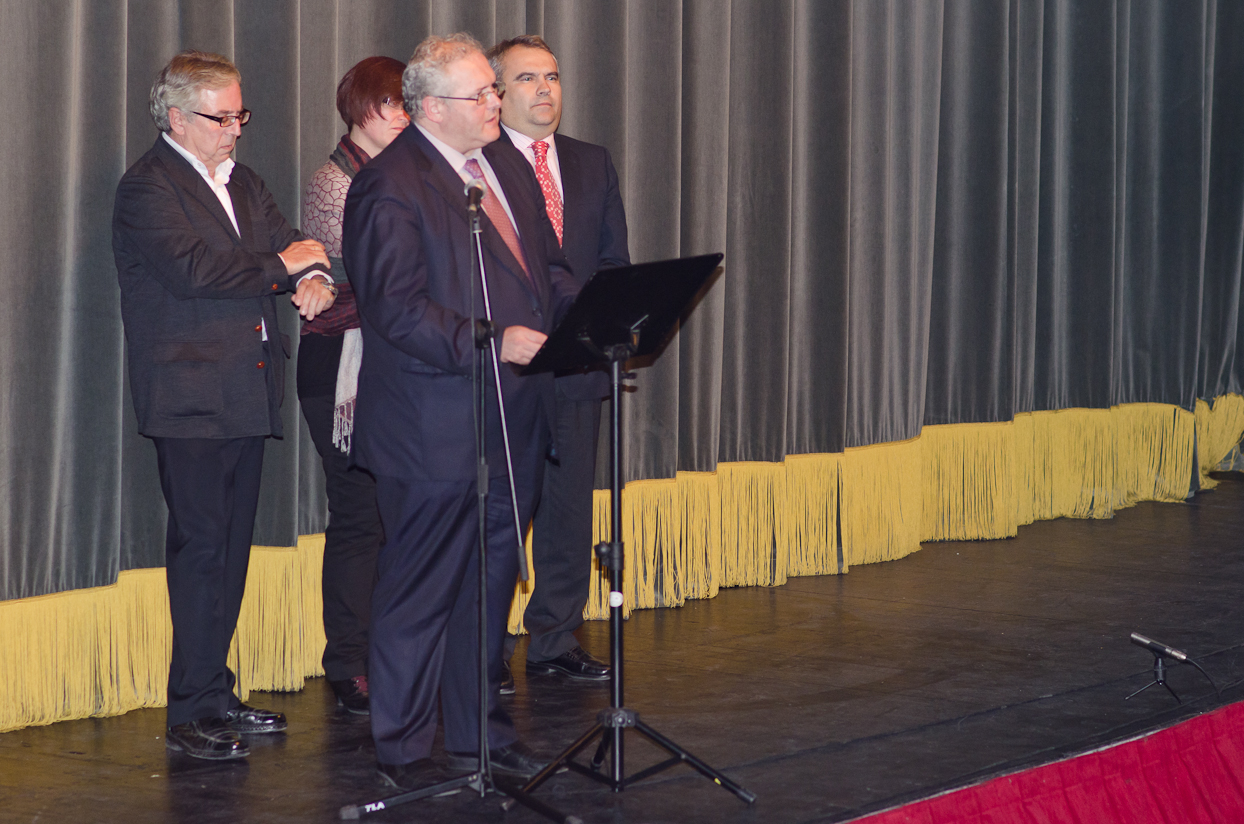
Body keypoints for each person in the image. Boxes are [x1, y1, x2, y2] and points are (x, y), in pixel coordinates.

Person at [342, 32, 578, 790]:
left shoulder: (500, 162)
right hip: (432, 427)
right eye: (482, 94)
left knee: (487, 589)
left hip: (513, 419)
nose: (496, 104)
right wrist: (487, 339)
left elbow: (543, 269)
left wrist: (592, 316)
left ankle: (481, 735)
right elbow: (394, 309)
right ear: (432, 107)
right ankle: (406, 754)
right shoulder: (391, 184)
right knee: (420, 596)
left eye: (494, 92)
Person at [113, 50, 336, 760]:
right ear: (176, 116)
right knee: (202, 550)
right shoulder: (148, 187)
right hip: (190, 396)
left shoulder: (246, 183)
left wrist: (319, 277)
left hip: (246, 387)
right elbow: (196, 272)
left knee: (230, 552)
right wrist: (287, 268)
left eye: (240, 114)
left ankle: (216, 692)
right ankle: (188, 709)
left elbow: (298, 246)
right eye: (221, 116)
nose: (235, 128)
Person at [489, 35, 630, 691]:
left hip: (576, 367)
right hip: (506, 368)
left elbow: (611, 263)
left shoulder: (591, 162)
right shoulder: (477, 164)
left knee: (571, 510)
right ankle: (484, 650)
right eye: (526, 78)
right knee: (500, 511)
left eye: (552, 76)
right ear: (495, 92)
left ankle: (553, 637)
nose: (544, 90)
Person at [298, 56, 410, 716]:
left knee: (396, 515)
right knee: (359, 515)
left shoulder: (408, 176)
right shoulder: (332, 182)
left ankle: (388, 650)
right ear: (359, 109)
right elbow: (362, 285)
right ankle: (347, 660)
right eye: (390, 105)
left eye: (406, 105)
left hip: (391, 368)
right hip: (340, 368)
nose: (400, 116)